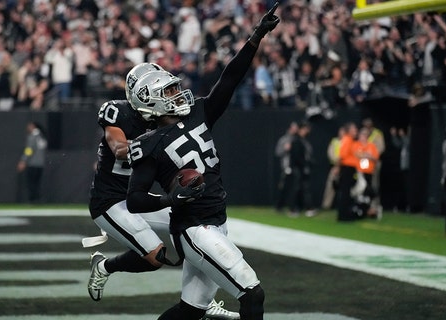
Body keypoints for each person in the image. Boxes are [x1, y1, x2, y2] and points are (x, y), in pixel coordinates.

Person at [126, 4, 279, 319]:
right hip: (195, 229)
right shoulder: (149, 143)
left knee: (189, 310)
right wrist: (170, 198)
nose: (177, 92)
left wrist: (256, 36)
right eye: (167, 90)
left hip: (217, 224)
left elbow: (231, 77)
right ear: (148, 99)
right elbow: (135, 199)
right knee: (253, 294)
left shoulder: (199, 111)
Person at [84, 62, 238, 319]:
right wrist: (152, 145)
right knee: (155, 257)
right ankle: (104, 266)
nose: (170, 97)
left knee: (192, 226)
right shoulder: (117, 112)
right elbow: (120, 148)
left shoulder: (164, 119)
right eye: (164, 92)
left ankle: (199, 301)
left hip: (140, 199)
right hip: (111, 201)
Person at [287, 120, 316, 217]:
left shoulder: (304, 141)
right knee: (296, 188)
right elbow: (296, 156)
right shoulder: (296, 141)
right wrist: (304, 165)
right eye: (306, 129)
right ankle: (293, 209)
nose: (307, 131)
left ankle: (304, 208)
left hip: (302, 168)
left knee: (303, 188)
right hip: (297, 168)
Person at [352, 127, 381, 219]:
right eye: (361, 135)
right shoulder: (355, 145)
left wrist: (369, 156)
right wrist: (363, 155)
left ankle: (370, 209)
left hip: (369, 171)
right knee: (361, 189)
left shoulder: (371, 146)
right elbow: (355, 154)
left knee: (369, 190)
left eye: (365, 135)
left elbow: (376, 158)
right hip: (359, 172)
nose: (363, 137)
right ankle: (360, 209)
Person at [17, 121, 48, 203]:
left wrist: (23, 161)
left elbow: (29, 150)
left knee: (31, 183)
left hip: (33, 163)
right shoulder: (42, 136)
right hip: (40, 164)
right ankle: (37, 199)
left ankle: (32, 199)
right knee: (37, 183)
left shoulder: (32, 137)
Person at [336, 122, 359, 221]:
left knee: (347, 192)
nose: (356, 131)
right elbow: (342, 155)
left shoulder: (350, 140)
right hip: (347, 168)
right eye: (354, 130)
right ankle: (343, 215)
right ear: (349, 130)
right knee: (345, 192)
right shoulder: (347, 140)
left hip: (349, 168)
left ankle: (345, 214)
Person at [274, 121, 298, 213]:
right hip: (286, 167)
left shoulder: (297, 139)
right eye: (293, 129)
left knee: (294, 188)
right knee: (284, 187)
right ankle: (279, 206)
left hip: (295, 166)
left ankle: (292, 207)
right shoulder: (283, 140)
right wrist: (285, 149)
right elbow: (278, 152)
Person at [321, 126, 344, 210]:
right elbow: (330, 153)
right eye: (340, 131)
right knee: (330, 186)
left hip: (345, 167)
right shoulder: (334, 141)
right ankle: (326, 205)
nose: (341, 133)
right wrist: (337, 162)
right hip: (335, 167)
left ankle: (343, 205)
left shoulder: (348, 141)